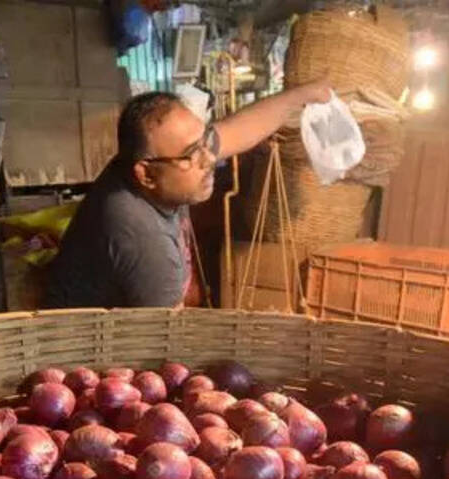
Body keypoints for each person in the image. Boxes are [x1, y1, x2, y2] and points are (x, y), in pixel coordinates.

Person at [44, 82, 331, 309]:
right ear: (146, 174)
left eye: (204, 140)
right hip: (95, 349)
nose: (209, 159)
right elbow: (166, 343)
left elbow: (237, 130)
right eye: (192, 153)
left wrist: (303, 95)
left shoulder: (156, 162)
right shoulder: (144, 241)